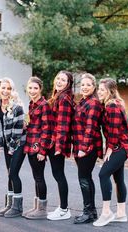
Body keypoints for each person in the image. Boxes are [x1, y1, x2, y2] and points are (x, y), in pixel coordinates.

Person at [93, 78, 128, 227]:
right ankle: (121, 213)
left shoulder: (112, 106)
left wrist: (109, 149)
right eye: (99, 89)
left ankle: (106, 212)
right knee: (118, 178)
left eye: (102, 90)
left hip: (120, 145)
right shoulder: (111, 104)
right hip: (120, 144)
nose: (99, 92)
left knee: (103, 174)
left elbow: (114, 132)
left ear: (110, 91)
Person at [0, 77, 26, 218]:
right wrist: (4, 146)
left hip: (18, 143)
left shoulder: (17, 107)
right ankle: (9, 204)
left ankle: (17, 207)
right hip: (6, 144)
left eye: (9, 88)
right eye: (3, 88)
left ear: (12, 90)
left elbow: (19, 130)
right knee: (9, 173)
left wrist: (11, 147)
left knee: (13, 173)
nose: (5, 91)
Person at [72, 73, 103, 224]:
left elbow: (90, 127)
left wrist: (83, 148)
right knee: (86, 178)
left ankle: (87, 212)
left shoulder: (94, 103)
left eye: (88, 85)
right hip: (80, 146)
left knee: (83, 178)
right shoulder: (83, 101)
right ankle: (91, 212)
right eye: (82, 85)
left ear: (94, 87)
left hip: (88, 147)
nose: (84, 87)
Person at [23, 76, 52, 220]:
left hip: (38, 146)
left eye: (35, 88)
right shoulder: (31, 104)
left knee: (39, 177)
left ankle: (42, 210)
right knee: (36, 176)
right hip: (30, 144)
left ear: (40, 89)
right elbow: (34, 124)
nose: (32, 91)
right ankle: (36, 207)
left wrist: (43, 150)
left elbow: (47, 129)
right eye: (30, 88)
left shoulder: (44, 105)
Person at [47, 71, 74, 220]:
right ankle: (63, 207)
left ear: (68, 83)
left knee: (59, 175)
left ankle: (64, 209)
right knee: (58, 175)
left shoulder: (63, 99)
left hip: (57, 143)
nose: (59, 81)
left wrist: (58, 147)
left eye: (63, 80)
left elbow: (63, 125)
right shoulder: (59, 97)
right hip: (55, 141)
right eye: (58, 78)